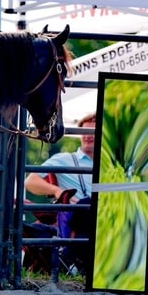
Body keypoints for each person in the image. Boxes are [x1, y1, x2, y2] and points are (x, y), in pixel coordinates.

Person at [23, 112, 96, 274]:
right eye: (85, 132)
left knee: (89, 205)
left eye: (93, 132)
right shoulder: (64, 159)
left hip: (102, 213)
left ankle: (72, 259)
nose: (88, 136)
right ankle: (74, 261)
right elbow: (30, 182)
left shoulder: (111, 163)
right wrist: (57, 191)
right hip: (74, 215)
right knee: (84, 206)